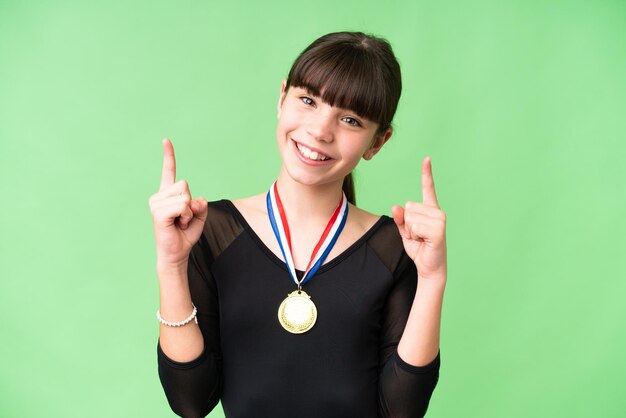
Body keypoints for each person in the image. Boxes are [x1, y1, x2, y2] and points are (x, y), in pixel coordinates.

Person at [149, 31, 447, 418]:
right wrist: (171, 265)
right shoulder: (212, 231)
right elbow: (190, 401)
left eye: (350, 119)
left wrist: (433, 278)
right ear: (281, 98)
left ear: (377, 142)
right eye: (308, 100)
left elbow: (402, 410)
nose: (321, 131)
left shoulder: (396, 248)